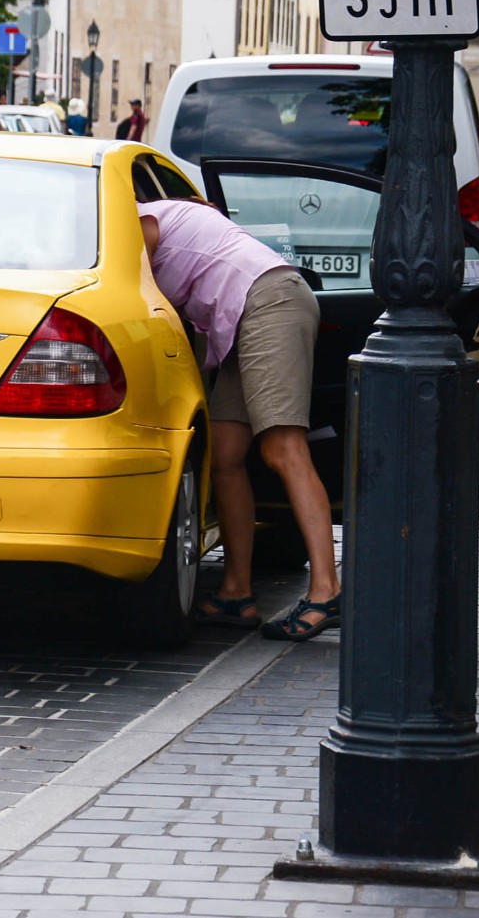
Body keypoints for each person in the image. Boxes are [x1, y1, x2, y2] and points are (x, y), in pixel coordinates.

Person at [139, 196, 340, 640]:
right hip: (244, 313)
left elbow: (132, 294)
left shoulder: (138, 221)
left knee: (283, 449)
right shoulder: (166, 208)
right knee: (227, 455)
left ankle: (327, 590)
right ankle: (236, 593)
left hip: (268, 301)